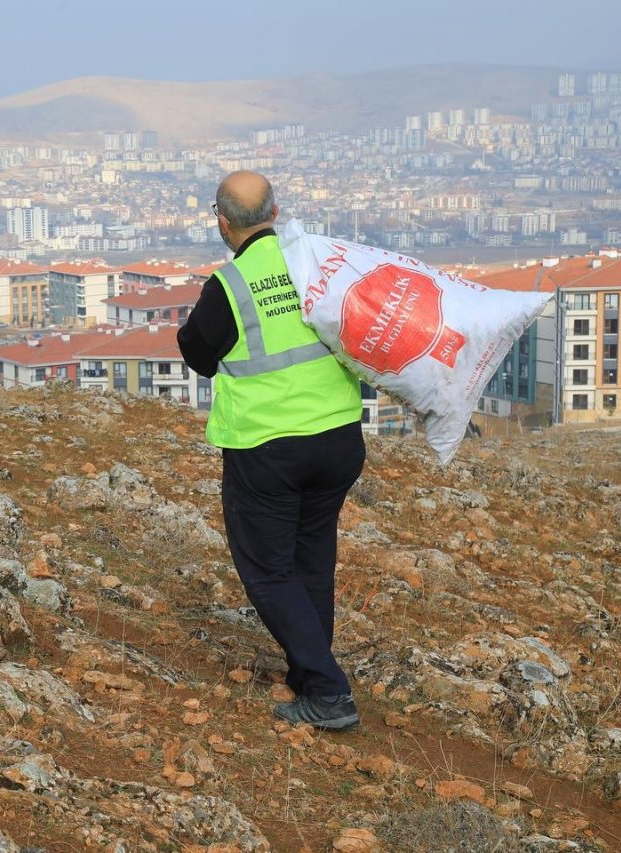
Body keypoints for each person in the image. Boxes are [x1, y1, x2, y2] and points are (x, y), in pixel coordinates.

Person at [177, 171, 366, 730]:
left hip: (269, 449)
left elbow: (196, 353)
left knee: (267, 570)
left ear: (221, 222)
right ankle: (309, 677)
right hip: (338, 440)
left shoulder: (230, 286)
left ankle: (329, 692)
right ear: (276, 211)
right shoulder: (317, 269)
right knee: (311, 560)